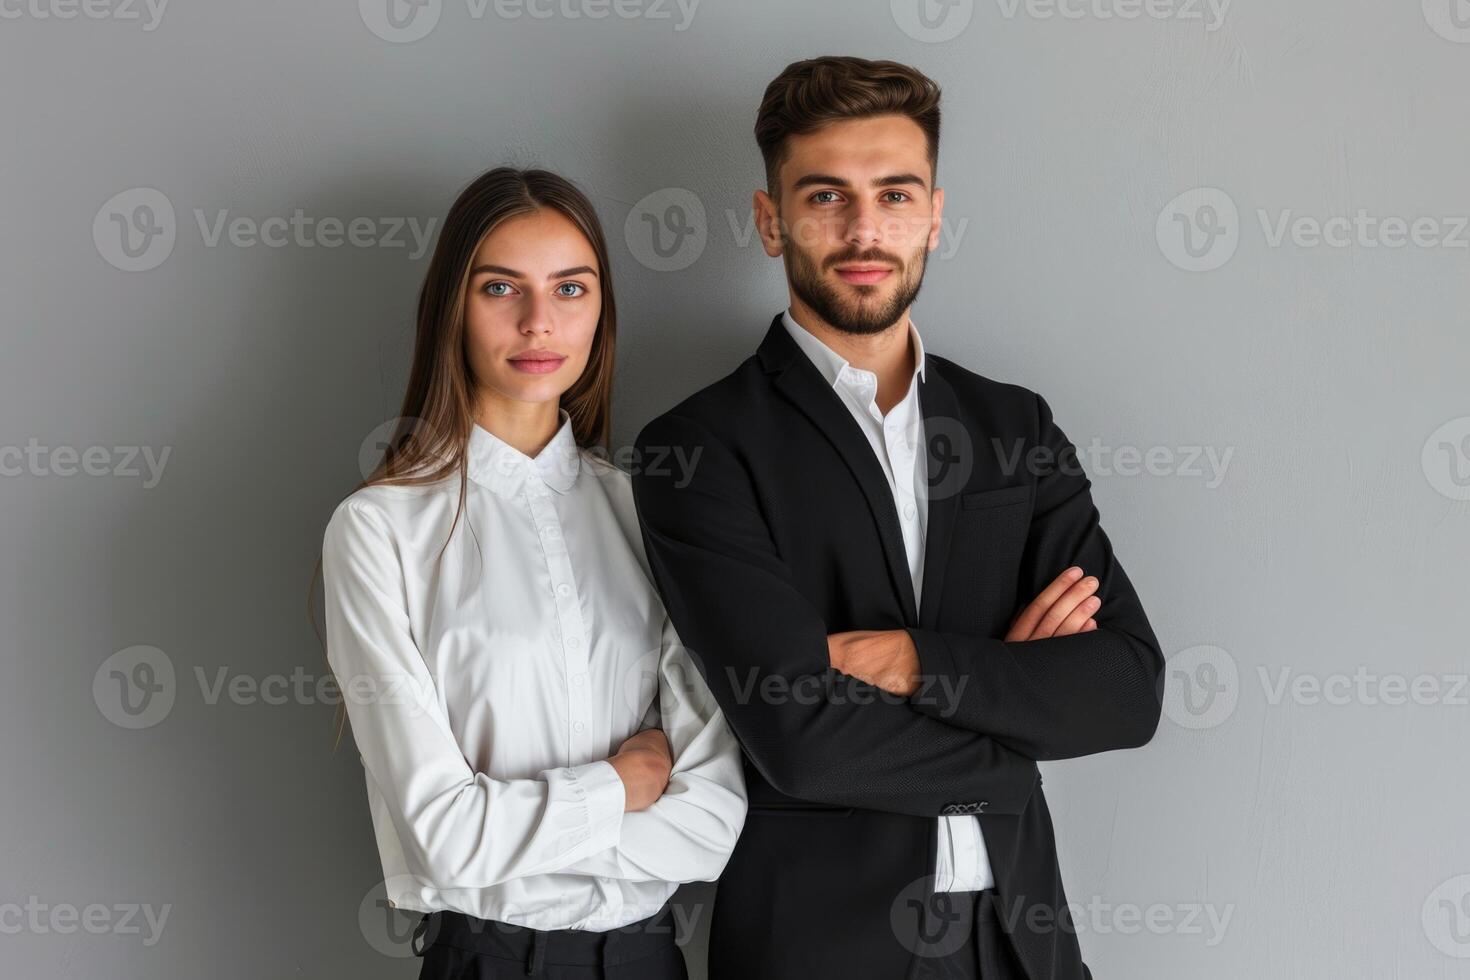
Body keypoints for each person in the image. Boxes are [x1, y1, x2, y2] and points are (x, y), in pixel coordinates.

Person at [631, 56, 1164, 980]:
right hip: (819, 949)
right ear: (770, 221)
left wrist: (913, 660)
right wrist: (1015, 728)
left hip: (1023, 943)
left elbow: (1126, 689)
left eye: (895, 194)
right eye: (826, 195)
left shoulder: (1012, 427)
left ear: (935, 215)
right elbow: (797, 740)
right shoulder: (699, 449)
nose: (865, 229)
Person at [321, 166, 746, 980]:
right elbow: (445, 840)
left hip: (650, 962)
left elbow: (712, 826)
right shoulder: (380, 531)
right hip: (485, 961)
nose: (539, 322)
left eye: (571, 288)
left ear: (601, 313)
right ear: (454, 307)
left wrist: (511, 829)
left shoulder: (650, 516)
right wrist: (624, 784)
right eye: (500, 288)